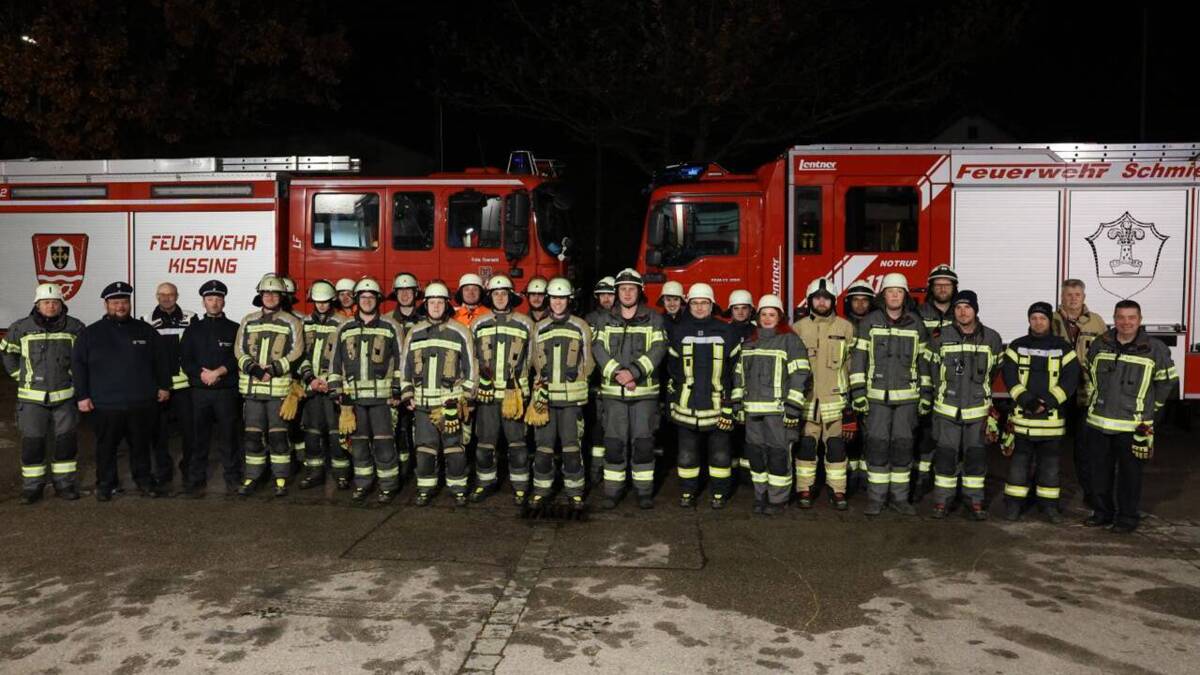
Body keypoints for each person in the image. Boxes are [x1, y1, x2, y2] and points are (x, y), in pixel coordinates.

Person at [1082, 300, 1176, 533]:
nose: (1126, 322)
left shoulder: (1156, 349)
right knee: (1099, 473)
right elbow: (1089, 376)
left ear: (1140, 320)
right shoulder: (1100, 344)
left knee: (1130, 475)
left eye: (1131, 317)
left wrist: (1150, 412)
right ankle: (1102, 513)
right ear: (1114, 319)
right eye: (1121, 317)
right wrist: (1095, 402)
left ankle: (1127, 517)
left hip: (1134, 425)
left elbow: (1167, 383)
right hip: (1098, 422)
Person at [72, 282, 171, 501]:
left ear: (130, 303)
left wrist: (165, 386)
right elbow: (78, 366)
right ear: (106, 304)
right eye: (115, 302)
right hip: (106, 404)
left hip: (141, 402)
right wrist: (82, 396)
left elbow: (160, 361)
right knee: (106, 448)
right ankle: (106, 484)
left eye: (124, 302)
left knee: (141, 446)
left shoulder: (145, 330)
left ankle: (144, 481)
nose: (120, 306)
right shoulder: (91, 334)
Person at [849, 273, 928, 516]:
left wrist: (926, 394)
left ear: (905, 295)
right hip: (876, 399)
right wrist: (859, 392)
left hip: (907, 399)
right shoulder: (869, 322)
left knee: (903, 447)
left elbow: (924, 362)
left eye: (899, 291)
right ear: (883, 295)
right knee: (877, 446)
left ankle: (900, 499)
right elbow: (859, 360)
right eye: (890, 291)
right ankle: (876, 498)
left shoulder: (916, 324)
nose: (894, 295)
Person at [923, 290, 1003, 520]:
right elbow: (927, 367)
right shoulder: (939, 337)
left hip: (977, 412)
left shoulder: (992, 338)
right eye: (958, 308)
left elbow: (996, 369)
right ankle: (942, 501)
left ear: (976, 310)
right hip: (946, 410)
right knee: (946, 458)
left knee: (976, 459)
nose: (963, 312)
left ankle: (974, 501)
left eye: (967, 307)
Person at [2, 283, 86, 503]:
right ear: (37, 305)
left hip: (65, 396)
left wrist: (75, 379)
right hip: (31, 400)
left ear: (61, 304)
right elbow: (7, 353)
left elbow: (84, 359)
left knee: (66, 444)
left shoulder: (75, 327)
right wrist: (20, 376)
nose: (50, 306)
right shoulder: (20, 328)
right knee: (33, 444)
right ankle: (32, 488)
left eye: (54, 302)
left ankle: (65, 484)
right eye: (46, 303)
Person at [592, 268, 667, 510]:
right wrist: (618, 374)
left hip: (644, 394)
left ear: (639, 292)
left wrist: (633, 372)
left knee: (643, 444)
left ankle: (643, 492)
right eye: (622, 289)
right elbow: (598, 350)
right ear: (616, 292)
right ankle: (613, 491)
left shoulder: (654, 319)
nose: (626, 293)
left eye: (631, 289)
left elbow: (658, 350)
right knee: (614, 444)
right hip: (614, 394)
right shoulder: (604, 320)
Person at [1000, 302, 1079, 523]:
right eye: (1034, 318)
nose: (1038, 322)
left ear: (1049, 322)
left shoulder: (1063, 348)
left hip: (1051, 423)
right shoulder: (1017, 346)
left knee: (1050, 468)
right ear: (1029, 320)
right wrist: (1028, 401)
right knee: (1018, 467)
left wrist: (1047, 401)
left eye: (1042, 318)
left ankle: (1050, 508)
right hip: (1023, 420)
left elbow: (1071, 379)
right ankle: (1013, 506)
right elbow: (1010, 378)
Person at [329, 278, 405, 504]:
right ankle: (363, 485)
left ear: (378, 300)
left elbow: (402, 361)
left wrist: (397, 390)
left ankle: (388, 486)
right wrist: (337, 392)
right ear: (357, 300)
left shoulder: (391, 327)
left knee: (384, 444)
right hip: (353, 400)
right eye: (363, 297)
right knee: (359, 445)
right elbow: (335, 363)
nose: (367, 301)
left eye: (371, 297)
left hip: (382, 400)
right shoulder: (344, 328)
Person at [401, 282, 478, 506]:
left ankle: (458, 488)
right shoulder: (414, 333)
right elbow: (405, 364)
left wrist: (467, 398)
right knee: (424, 448)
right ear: (426, 305)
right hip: (423, 404)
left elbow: (471, 367)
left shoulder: (461, 332)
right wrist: (407, 393)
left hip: (450, 404)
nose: (436, 306)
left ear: (447, 304)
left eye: (440, 302)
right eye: (432, 302)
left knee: (455, 448)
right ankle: (425, 488)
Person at [732, 294, 810, 515]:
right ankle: (761, 495)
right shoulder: (749, 342)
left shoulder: (790, 340)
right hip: (752, 411)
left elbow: (800, 374)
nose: (767, 318)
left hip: (778, 412)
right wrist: (737, 403)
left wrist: (793, 407)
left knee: (778, 456)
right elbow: (739, 375)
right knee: (756, 456)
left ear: (780, 317)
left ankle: (778, 499)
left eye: (772, 315)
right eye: (764, 314)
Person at [666, 283, 739, 509]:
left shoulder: (727, 331)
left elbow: (736, 372)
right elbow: (671, 370)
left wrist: (730, 405)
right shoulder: (679, 332)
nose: (699, 307)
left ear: (712, 305)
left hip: (718, 407)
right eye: (695, 303)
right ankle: (688, 493)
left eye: (704, 303)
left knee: (719, 457)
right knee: (687, 456)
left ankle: (719, 494)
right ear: (689, 305)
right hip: (686, 407)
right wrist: (671, 400)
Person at [234, 276, 304, 498]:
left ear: (282, 297)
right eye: (266, 293)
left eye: (274, 294)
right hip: (253, 391)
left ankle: (280, 477)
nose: (270, 297)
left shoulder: (292, 322)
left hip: (277, 392)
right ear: (260, 296)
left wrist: (273, 370)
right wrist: (254, 369)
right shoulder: (248, 320)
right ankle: (252, 476)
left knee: (278, 436)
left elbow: (297, 351)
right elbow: (238, 349)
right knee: (252, 436)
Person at [528, 277, 594, 511]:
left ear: (569, 300)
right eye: (554, 298)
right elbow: (534, 360)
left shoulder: (580, 326)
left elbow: (589, 363)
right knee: (543, 447)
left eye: (562, 298)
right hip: (545, 399)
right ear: (549, 300)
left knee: (571, 447)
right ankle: (541, 490)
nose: (558, 303)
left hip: (571, 401)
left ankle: (574, 492)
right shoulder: (540, 327)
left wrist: (577, 383)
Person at [469, 275, 535, 504]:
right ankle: (485, 483)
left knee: (517, 444)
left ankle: (520, 486)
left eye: (504, 293)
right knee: (485, 444)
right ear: (490, 297)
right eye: (496, 293)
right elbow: (472, 360)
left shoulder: (525, 323)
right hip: (487, 397)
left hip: (513, 397)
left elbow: (532, 360)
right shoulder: (478, 324)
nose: (500, 297)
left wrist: (527, 393)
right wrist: (473, 390)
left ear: (511, 297)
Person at [793, 278, 856, 510]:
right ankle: (804, 488)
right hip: (807, 402)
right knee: (807, 446)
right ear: (810, 300)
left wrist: (850, 408)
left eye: (826, 298)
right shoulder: (798, 328)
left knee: (837, 449)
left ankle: (837, 490)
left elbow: (851, 369)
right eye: (817, 298)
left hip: (835, 403)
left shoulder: (845, 327)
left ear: (833, 300)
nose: (821, 302)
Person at [179, 280, 241, 496]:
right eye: (209, 299)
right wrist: (202, 374)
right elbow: (185, 359)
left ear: (224, 301)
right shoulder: (193, 329)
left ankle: (233, 478)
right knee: (198, 438)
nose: (214, 303)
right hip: (200, 392)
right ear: (203, 302)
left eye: (217, 299)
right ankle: (196, 479)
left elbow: (239, 358)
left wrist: (219, 372)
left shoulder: (235, 329)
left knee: (229, 438)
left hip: (226, 392)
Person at [1051, 279, 1109, 511]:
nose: (1073, 298)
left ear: (1083, 297)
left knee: (1085, 448)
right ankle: (1047, 494)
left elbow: (1106, 355)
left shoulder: (1096, 321)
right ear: (1062, 296)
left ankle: (1090, 493)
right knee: (1049, 445)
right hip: (1056, 392)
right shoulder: (1050, 319)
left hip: (1086, 393)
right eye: (1068, 294)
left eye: (1077, 294)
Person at [295, 280, 351, 491]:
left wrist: (330, 380)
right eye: (317, 302)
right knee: (312, 433)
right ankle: (315, 473)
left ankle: (342, 474)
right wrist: (311, 379)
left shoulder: (343, 323)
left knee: (337, 433)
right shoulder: (304, 323)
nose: (321, 305)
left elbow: (346, 357)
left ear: (332, 301)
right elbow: (300, 354)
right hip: (311, 387)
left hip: (332, 387)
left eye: (325, 302)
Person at [141, 281, 195, 491]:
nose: (166, 298)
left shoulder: (191, 318)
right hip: (159, 388)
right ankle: (163, 470)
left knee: (190, 432)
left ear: (177, 296)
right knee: (158, 433)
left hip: (185, 387)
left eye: (170, 294)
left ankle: (189, 468)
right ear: (157, 296)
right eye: (162, 295)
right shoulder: (146, 320)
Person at [913, 264, 957, 499]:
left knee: (951, 435)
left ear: (954, 288)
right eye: (938, 284)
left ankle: (951, 481)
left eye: (947, 284)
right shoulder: (919, 314)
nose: (942, 288)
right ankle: (921, 479)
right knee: (925, 433)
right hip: (924, 381)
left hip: (952, 385)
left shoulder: (962, 312)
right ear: (931, 288)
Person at [841, 279, 875, 494]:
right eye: (856, 300)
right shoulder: (843, 326)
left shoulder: (877, 324)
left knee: (870, 434)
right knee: (849, 435)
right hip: (847, 385)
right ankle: (851, 476)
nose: (861, 305)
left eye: (865, 300)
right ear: (849, 303)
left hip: (871, 387)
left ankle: (866, 477)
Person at [389, 272, 424, 479]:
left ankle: (420, 466)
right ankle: (402, 469)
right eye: (401, 291)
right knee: (398, 427)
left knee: (417, 427)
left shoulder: (424, 320)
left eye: (408, 290)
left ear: (415, 293)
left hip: (417, 382)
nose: (404, 295)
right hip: (393, 382)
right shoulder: (386, 320)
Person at [584, 276, 617, 486]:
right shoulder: (589, 320)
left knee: (614, 427)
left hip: (615, 382)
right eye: (603, 295)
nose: (606, 299)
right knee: (595, 427)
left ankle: (613, 469)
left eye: (610, 294)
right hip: (593, 382)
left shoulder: (623, 318)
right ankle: (595, 469)